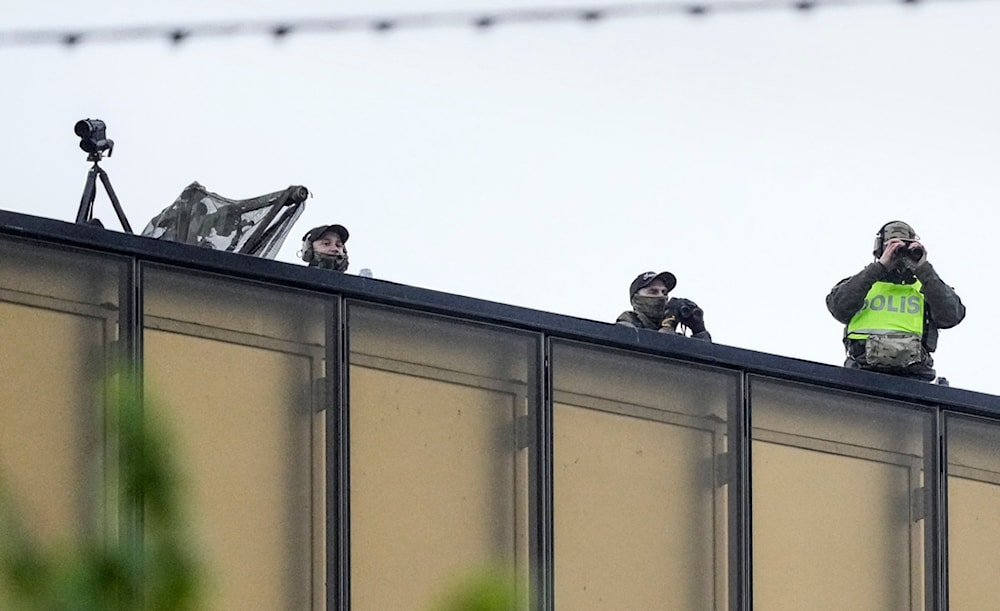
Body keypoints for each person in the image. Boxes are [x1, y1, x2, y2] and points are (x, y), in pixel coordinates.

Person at [826, 220, 965, 381]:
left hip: (913, 378)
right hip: (862, 373)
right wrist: (880, 267)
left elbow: (952, 315)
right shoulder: (862, 283)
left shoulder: (926, 287)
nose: (899, 254)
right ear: (880, 249)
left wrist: (923, 268)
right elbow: (839, 307)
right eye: (892, 247)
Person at [616, 271, 712, 341]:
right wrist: (668, 325)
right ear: (636, 298)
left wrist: (698, 330)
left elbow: (706, 358)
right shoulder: (627, 324)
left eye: (664, 293)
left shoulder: (675, 335)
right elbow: (658, 349)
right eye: (653, 292)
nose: (661, 296)